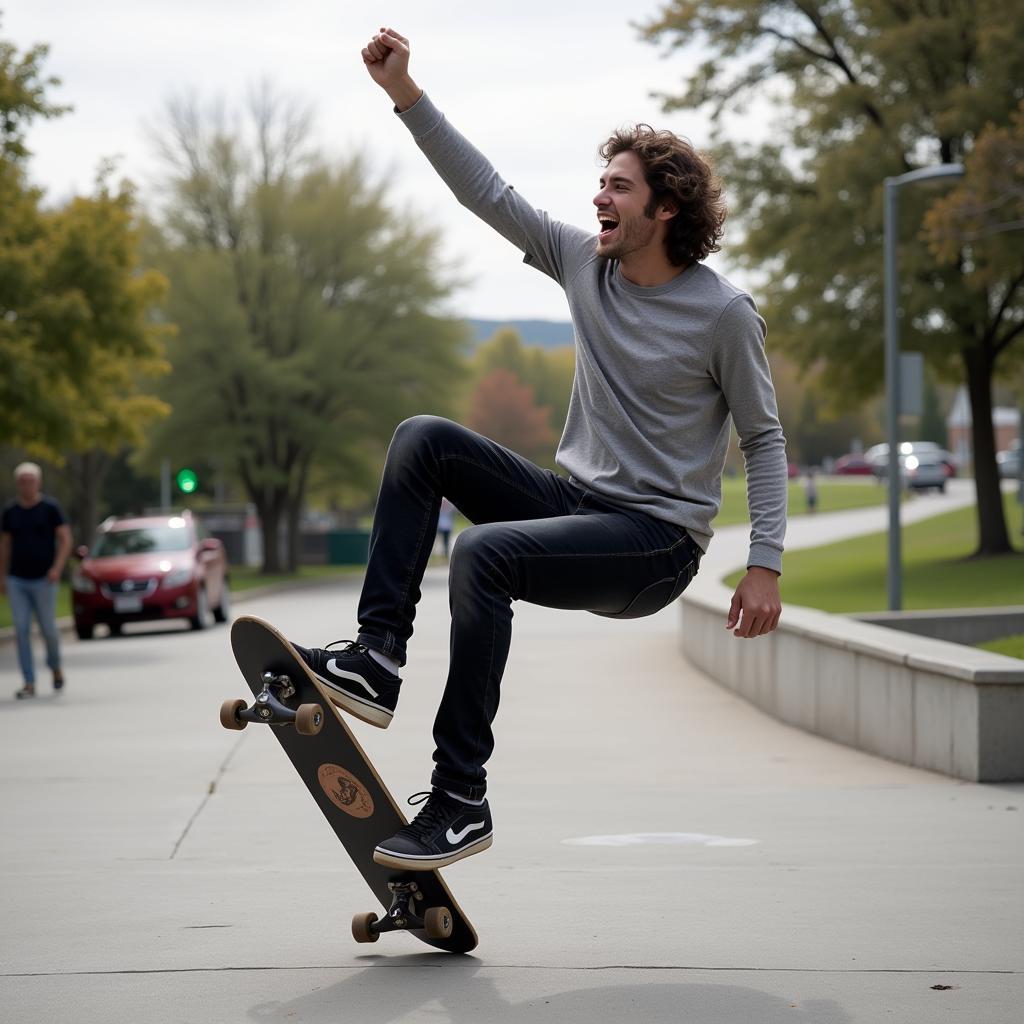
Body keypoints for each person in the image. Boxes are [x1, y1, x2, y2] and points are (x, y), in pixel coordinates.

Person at [290, 27, 788, 871]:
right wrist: (405, 94)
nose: (601, 198)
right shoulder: (582, 263)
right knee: (424, 440)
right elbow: (485, 190)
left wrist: (765, 560)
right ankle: (377, 659)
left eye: (619, 188)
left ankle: (459, 800)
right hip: (578, 505)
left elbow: (764, 438)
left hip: (656, 543)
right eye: (600, 182)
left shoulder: (723, 314)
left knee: (483, 554)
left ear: (664, 209)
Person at [1, 463, 72, 699]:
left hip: (44, 578)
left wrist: (57, 568)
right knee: (21, 629)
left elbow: (65, 539)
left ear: (38, 482)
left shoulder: (50, 508)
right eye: (22, 480)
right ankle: (29, 681)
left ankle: (55, 666)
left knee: (48, 629)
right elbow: (5, 545)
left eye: (31, 480)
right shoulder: (11, 512)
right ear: (17, 484)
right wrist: (2, 576)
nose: (27, 484)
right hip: (17, 579)